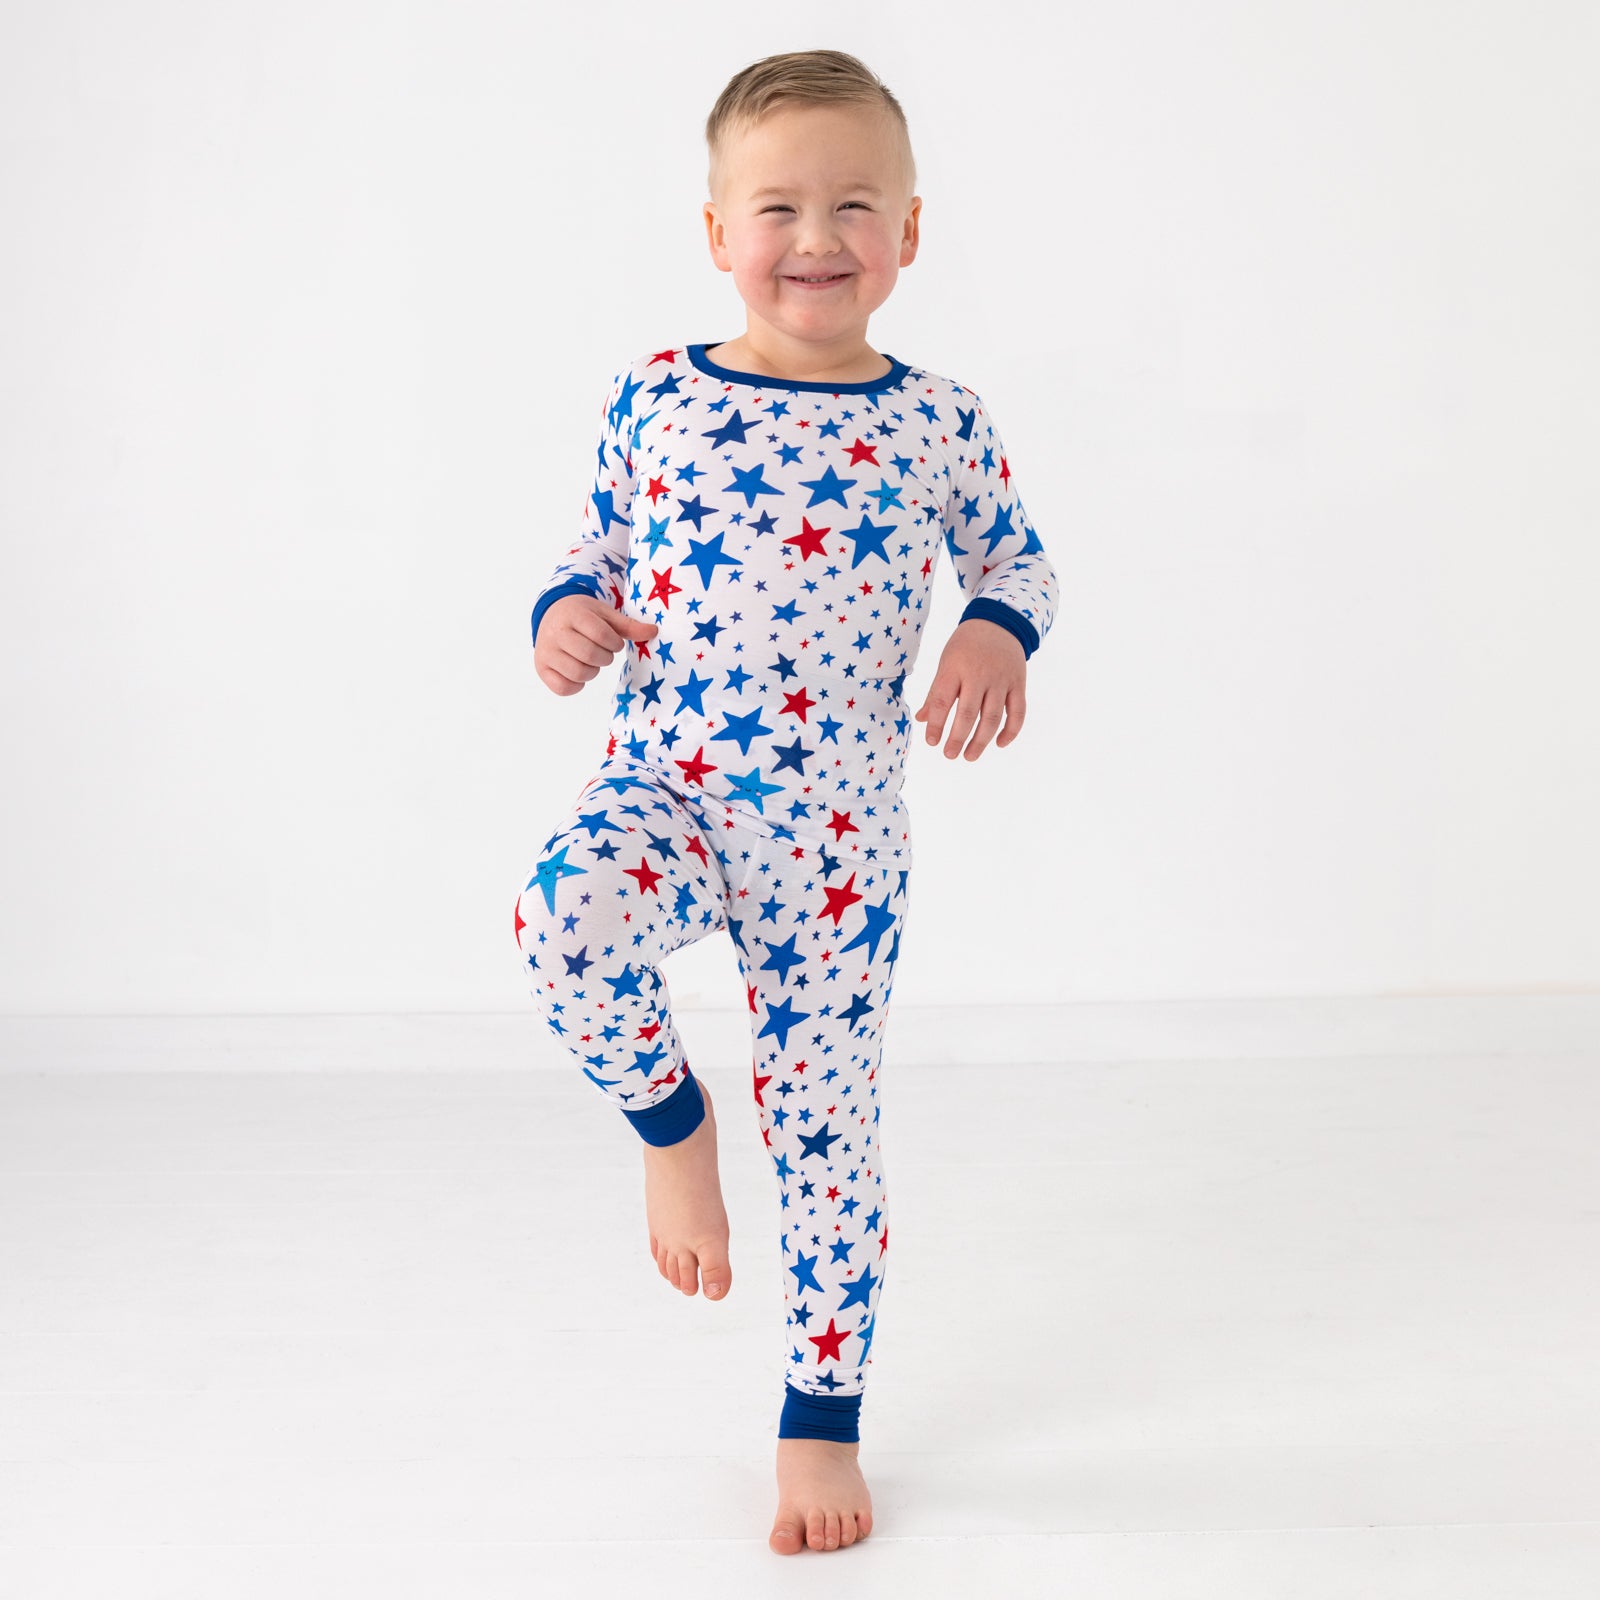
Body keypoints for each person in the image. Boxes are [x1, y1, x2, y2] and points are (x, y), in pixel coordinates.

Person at [513, 47, 1059, 1556]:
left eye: (854, 205)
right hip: (671, 791)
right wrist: (567, 615)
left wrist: (993, 632)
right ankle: (672, 1124)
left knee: (827, 1131)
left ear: (910, 232)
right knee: (562, 918)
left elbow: (1017, 558)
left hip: (836, 850)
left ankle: (821, 1419)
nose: (816, 238)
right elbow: (595, 548)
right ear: (716, 233)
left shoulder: (939, 419)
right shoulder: (655, 396)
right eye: (778, 208)